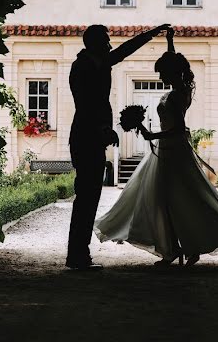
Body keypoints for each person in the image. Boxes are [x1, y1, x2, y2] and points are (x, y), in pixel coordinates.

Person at [94, 27, 218, 266]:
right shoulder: (178, 89)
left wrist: (151, 134)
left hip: (174, 151)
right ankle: (172, 248)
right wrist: (169, 40)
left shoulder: (177, 96)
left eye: (162, 73)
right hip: (165, 150)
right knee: (163, 200)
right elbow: (173, 61)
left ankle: (188, 247)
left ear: (172, 73)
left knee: (180, 200)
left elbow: (178, 128)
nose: (160, 78)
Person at [66, 23, 171, 270]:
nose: (109, 44)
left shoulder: (97, 62)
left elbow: (124, 50)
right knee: (86, 197)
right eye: (105, 40)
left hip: (90, 136)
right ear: (93, 43)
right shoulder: (83, 66)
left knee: (88, 197)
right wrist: (102, 129)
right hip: (86, 136)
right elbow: (86, 104)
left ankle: (79, 254)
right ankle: (77, 256)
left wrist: (151, 34)